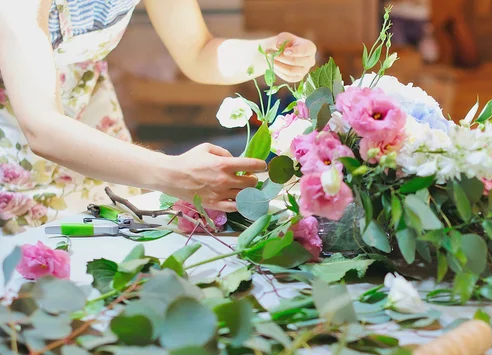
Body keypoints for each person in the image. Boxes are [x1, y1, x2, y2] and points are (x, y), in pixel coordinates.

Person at [0, 0, 317, 234]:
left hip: (92, 127)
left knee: (109, 238)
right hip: (16, 143)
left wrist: (266, 53)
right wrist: (173, 172)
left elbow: (198, 51)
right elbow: (41, 125)